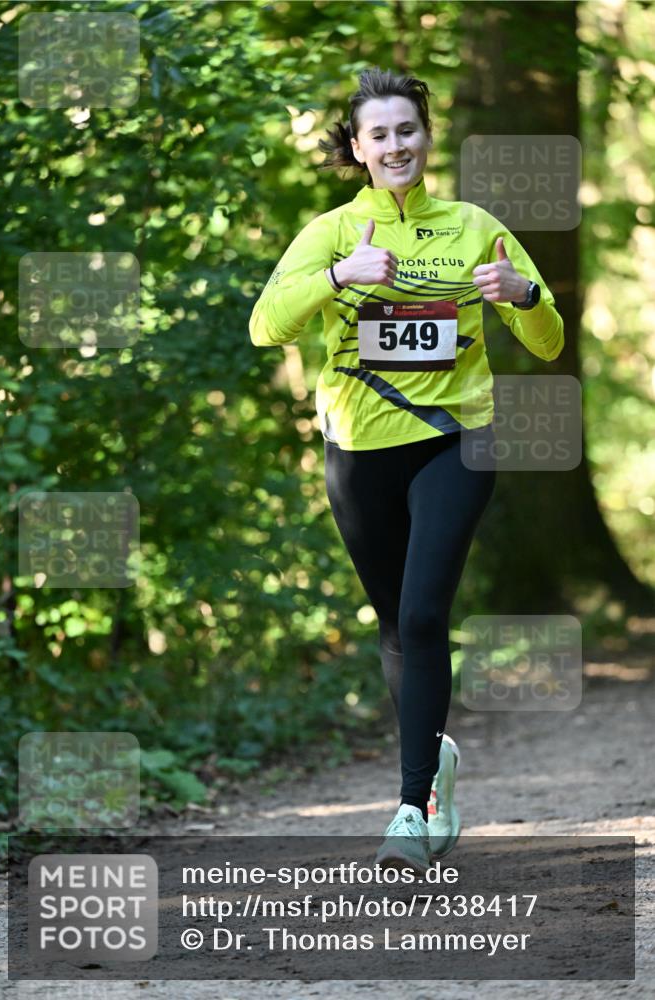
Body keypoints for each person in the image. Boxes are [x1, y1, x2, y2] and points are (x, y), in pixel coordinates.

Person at [249, 67, 564, 875]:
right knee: (394, 625)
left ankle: (410, 808)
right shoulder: (331, 232)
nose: (396, 145)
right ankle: (437, 778)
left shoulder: (472, 225)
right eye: (378, 134)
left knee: (424, 617)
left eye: (407, 130)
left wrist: (524, 295)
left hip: (457, 439)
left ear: (427, 136)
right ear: (356, 148)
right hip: (358, 450)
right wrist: (336, 278)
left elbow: (548, 343)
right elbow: (264, 325)